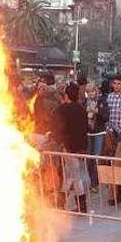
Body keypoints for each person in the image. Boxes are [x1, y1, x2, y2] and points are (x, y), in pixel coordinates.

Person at [51, 82, 90, 213]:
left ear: (66, 95)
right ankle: (62, 202)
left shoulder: (62, 109)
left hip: (68, 147)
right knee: (70, 174)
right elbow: (86, 128)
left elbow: (57, 127)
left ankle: (80, 204)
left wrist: (56, 138)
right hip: (80, 147)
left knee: (74, 176)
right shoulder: (82, 109)